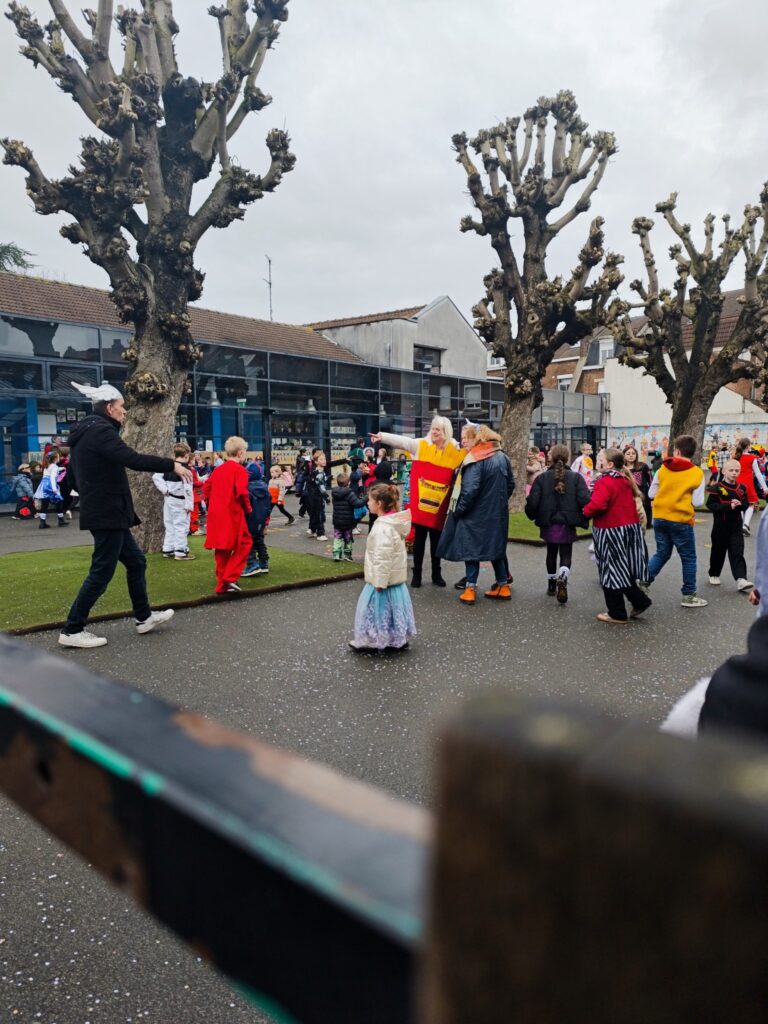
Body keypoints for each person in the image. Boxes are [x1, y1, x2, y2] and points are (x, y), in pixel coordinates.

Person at [58, 381, 184, 649]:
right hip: (107, 512)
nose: (124, 412)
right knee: (101, 571)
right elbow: (133, 459)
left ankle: (144, 617)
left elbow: (71, 476)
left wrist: (80, 495)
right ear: (108, 407)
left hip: (106, 510)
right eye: (121, 407)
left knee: (136, 562)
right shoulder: (100, 432)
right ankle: (72, 629)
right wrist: (171, 464)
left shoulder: (86, 433)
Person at [372, 416, 465, 588]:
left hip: (439, 503)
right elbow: (403, 442)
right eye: (433, 428)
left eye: (438, 429)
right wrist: (383, 436)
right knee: (420, 539)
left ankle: (437, 573)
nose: (434, 431)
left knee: (436, 540)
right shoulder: (421, 445)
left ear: (446, 431)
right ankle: (418, 573)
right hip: (422, 502)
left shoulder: (455, 448)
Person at [438, 425, 515, 606]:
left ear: (478, 439)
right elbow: (510, 484)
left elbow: (469, 491)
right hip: (497, 514)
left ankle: (470, 589)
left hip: (475, 515)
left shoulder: (475, 458)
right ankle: (503, 586)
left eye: (466, 437)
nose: (463, 440)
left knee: (471, 550)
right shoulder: (502, 456)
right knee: (496, 549)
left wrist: (459, 510)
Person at [583, 449, 652, 624]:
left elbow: (598, 504)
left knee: (609, 570)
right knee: (621, 568)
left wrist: (585, 511)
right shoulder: (624, 479)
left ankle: (617, 612)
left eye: (600, 459)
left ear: (610, 464)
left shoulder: (604, 481)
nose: (597, 461)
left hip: (610, 530)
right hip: (628, 528)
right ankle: (639, 601)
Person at [641, 434, 707, 608]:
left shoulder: (663, 468)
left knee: (662, 552)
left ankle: (644, 580)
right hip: (680, 519)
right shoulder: (697, 473)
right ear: (693, 452)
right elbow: (698, 502)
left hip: (660, 517)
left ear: (676, 450)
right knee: (688, 557)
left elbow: (651, 494)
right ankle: (689, 595)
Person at [348, 483, 415, 652]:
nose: (367, 503)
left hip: (382, 580)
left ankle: (373, 639)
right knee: (393, 610)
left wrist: (379, 582)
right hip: (394, 580)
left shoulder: (382, 528)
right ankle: (396, 638)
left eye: (370, 500)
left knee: (376, 610)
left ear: (379, 503)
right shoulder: (393, 523)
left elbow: (382, 557)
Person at [525, 444, 590, 604]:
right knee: (566, 553)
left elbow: (533, 502)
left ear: (550, 458)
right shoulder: (576, 478)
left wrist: (531, 514)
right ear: (568, 458)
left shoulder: (542, 478)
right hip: (568, 523)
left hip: (549, 522)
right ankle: (563, 576)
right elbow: (585, 500)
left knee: (551, 552)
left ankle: (552, 585)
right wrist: (585, 515)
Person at [203, 436, 252, 595]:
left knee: (222, 547)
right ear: (240, 453)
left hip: (216, 512)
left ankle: (222, 584)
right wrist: (248, 509)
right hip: (232, 512)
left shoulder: (218, 469)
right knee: (245, 542)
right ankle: (229, 578)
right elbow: (242, 492)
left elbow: (206, 489)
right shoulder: (240, 470)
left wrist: (215, 502)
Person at [706, 459, 753, 592]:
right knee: (718, 552)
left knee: (737, 551)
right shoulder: (717, 488)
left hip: (736, 527)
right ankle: (714, 573)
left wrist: (739, 505)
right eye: (731, 470)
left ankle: (741, 579)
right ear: (724, 471)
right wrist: (729, 506)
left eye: (737, 471)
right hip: (720, 527)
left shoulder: (742, 488)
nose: (734, 473)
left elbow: (746, 505)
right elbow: (711, 505)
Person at [152, 442, 195, 560]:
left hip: (168, 498)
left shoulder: (167, 466)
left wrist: (164, 490)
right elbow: (188, 489)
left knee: (169, 524)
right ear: (186, 454)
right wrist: (189, 505)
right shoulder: (186, 470)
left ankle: (168, 548)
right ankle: (181, 551)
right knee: (181, 526)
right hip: (180, 499)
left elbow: (156, 477)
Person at [242, 462, 272, 577]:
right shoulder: (264, 487)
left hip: (249, 519)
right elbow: (268, 507)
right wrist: (266, 522)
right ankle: (264, 563)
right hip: (261, 520)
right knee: (259, 541)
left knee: (249, 542)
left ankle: (252, 564)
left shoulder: (247, 488)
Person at [734, 437, 767, 536]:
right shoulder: (752, 458)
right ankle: (746, 524)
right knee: (751, 504)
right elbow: (758, 474)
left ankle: (740, 526)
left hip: (737, 484)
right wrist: (765, 488)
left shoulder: (736, 457)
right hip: (748, 484)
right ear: (748, 446)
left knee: (738, 504)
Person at [331, 472, 367, 561]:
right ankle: (347, 555)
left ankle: (336, 554)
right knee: (348, 538)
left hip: (337, 520)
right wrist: (366, 498)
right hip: (347, 521)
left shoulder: (334, 493)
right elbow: (358, 504)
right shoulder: (349, 493)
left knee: (337, 537)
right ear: (349, 483)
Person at [34, 450, 67, 529]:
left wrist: (61, 468)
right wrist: (55, 488)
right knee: (59, 501)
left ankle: (42, 523)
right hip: (50, 485)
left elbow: (51, 471)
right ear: (55, 458)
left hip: (43, 484)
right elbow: (52, 477)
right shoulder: (54, 466)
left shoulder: (47, 465)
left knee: (45, 504)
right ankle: (61, 520)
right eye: (58, 456)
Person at [304, 450, 331, 540]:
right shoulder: (318, 472)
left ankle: (313, 529)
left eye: (324, 459)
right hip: (316, 496)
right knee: (320, 514)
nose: (324, 461)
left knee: (316, 513)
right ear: (316, 462)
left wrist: (327, 478)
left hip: (314, 495)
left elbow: (320, 481)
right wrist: (326, 497)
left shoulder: (319, 471)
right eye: (321, 459)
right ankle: (320, 533)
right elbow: (321, 486)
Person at [623, 444, 653, 524]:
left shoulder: (643, 466)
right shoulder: (622, 469)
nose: (631, 455)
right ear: (624, 456)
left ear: (636, 455)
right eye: (628, 454)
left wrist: (652, 497)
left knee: (644, 517)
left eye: (633, 453)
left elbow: (650, 481)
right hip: (629, 495)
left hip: (643, 495)